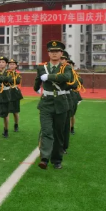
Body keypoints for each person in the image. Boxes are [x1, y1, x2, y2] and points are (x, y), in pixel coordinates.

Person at [33, 40, 73, 170]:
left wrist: (49, 77)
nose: (54, 54)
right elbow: (36, 82)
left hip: (61, 103)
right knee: (46, 131)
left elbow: (67, 77)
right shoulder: (41, 67)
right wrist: (37, 89)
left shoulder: (66, 67)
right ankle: (44, 158)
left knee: (58, 133)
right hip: (46, 103)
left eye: (57, 51)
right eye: (52, 51)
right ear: (48, 53)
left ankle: (57, 159)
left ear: (61, 53)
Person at [7, 58, 23, 132]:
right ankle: (6, 128)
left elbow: (17, 81)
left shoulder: (18, 73)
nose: (11, 65)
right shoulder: (6, 72)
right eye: (10, 64)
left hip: (15, 93)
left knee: (15, 112)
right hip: (7, 92)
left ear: (16, 65)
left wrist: (7, 79)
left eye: (13, 64)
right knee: (7, 111)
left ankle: (16, 124)